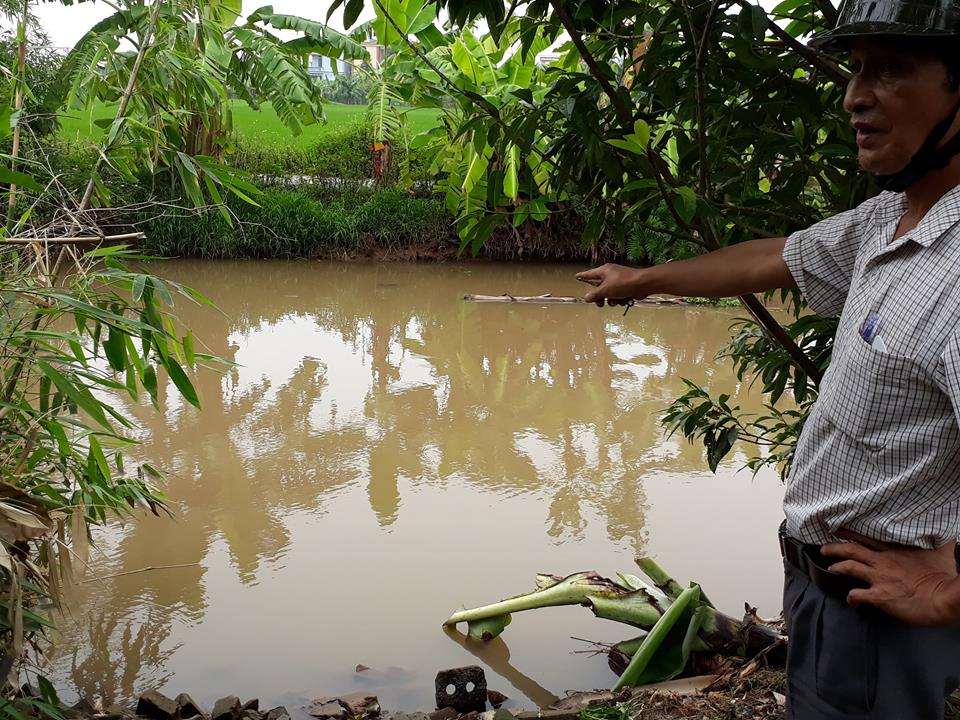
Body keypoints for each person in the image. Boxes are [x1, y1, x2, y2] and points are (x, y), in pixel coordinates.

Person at [576, 2, 960, 717]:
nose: (855, 96)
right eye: (854, 70)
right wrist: (644, 280)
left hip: (883, 627)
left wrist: (950, 589)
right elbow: (774, 257)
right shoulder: (893, 218)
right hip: (822, 597)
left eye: (891, 69)